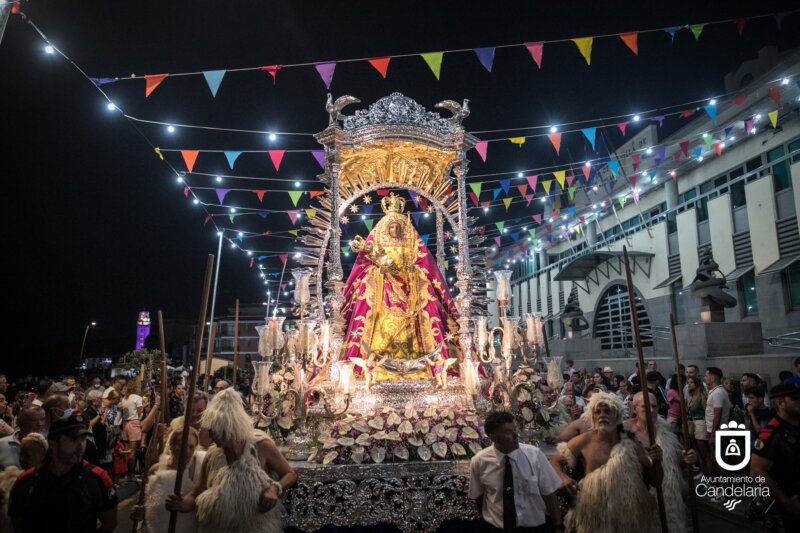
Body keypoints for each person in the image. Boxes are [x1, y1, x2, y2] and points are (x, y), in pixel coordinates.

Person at [343, 193, 459, 376]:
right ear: (385, 228)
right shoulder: (376, 243)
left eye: (398, 226)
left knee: (425, 306)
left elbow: (423, 263)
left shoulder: (410, 242)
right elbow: (365, 264)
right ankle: (373, 367)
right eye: (391, 226)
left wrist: (410, 273)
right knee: (369, 307)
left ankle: (422, 364)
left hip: (409, 288)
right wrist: (381, 268)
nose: (394, 229)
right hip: (382, 287)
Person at [165, 388, 297, 533]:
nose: (211, 436)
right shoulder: (213, 455)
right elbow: (195, 494)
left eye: (215, 431)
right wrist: (180, 504)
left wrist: (274, 488)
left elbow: (290, 474)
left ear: (228, 428)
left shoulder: (260, 446)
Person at [549, 391, 661, 533]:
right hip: (593, 513)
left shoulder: (632, 444)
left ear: (617, 416)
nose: (602, 415)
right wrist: (563, 478)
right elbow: (553, 462)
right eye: (598, 412)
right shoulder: (584, 440)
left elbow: (655, 481)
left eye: (607, 411)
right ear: (592, 416)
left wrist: (657, 462)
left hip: (627, 516)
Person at [8, 413, 118, 532]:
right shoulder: (27, 481)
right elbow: (17, 523)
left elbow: (110, 523)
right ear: (53, 443)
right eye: (73, 440)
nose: (80, 447)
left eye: (83, 439)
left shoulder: (97, 478)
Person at [469, 411, 563, 532]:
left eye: (514, 430)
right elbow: (479, 497)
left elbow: (549, 494)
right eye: (507, 432)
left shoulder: (534, 455)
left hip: (533, 528)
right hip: (497, 527)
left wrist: (558, 527)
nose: (515, 435)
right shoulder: (479, 461)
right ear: (493, 437)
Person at [624, 391, 696, 533]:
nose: (651, 410)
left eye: (654, 406)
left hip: (665, 498)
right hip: (635, 497)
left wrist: (686, 458)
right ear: (634, 408)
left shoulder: (665, 431)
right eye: (645, 406)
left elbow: (676, 465)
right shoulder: (623, 430)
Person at [131, 420, 203, 533]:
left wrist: (182, 504)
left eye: (191, 447)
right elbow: (147, 502)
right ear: (172, 445)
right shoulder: (155, 470)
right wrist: (140, 512)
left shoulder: (197, 471)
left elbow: (197, 500)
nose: (187, 451)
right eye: (182, 445)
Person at [751, 382, 800, 528]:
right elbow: (756, 471)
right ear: (780, 403)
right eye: (795, 398)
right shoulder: (771, 433)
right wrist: (785, 501)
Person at [0, 406, 45, 470]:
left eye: (42, 419)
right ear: (19, 422)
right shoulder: (1, 444)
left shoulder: (49, 444)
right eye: (33, 420)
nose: (40, 424)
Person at [686, 375, 712, 477]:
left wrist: (709, 429)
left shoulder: (701, 396)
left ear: (697, 384)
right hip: (693, 425)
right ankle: (705, 474)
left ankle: (711, 477)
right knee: (700, 453)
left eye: (691, 382)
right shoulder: (692, 397)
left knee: (705, 453)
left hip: (701, 423)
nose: (689, 384)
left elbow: (707, 413)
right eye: (688, 382)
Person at [119, 377, 144, 479]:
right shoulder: (137, 398)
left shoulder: (125, 398)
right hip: (134, 423)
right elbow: (140, 413)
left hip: (125, 424)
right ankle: (131, 474)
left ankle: (125, 473)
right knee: (132, 451)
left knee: (127, 450)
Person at [704, 367, 731, 459]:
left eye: (706, 376)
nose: (704, 378)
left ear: (712, 378)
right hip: (715, 431)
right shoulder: (715, 391)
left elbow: (717, 415)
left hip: (718, 432)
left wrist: (713, 435)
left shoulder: (718, 393)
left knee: (722, 459)